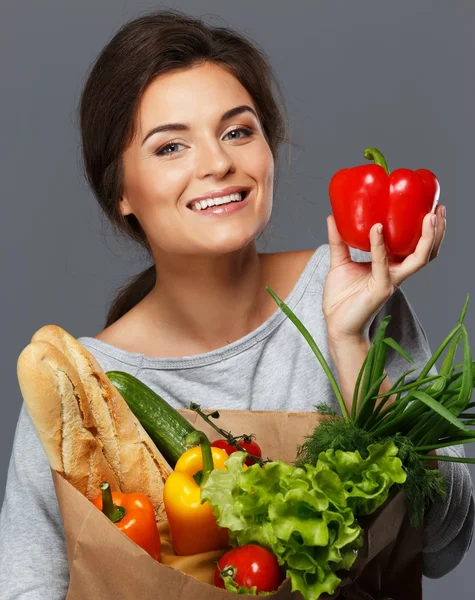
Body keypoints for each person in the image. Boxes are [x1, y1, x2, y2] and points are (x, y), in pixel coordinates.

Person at [0, 9, 473, 599]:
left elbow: (445, 539)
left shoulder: (346, 288)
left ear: (268, 149)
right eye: (171, 146)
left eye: (237, 131)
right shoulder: (80, 386)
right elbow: (27, 588)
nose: (217, 163)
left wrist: (351, 346)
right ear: (120, 190)